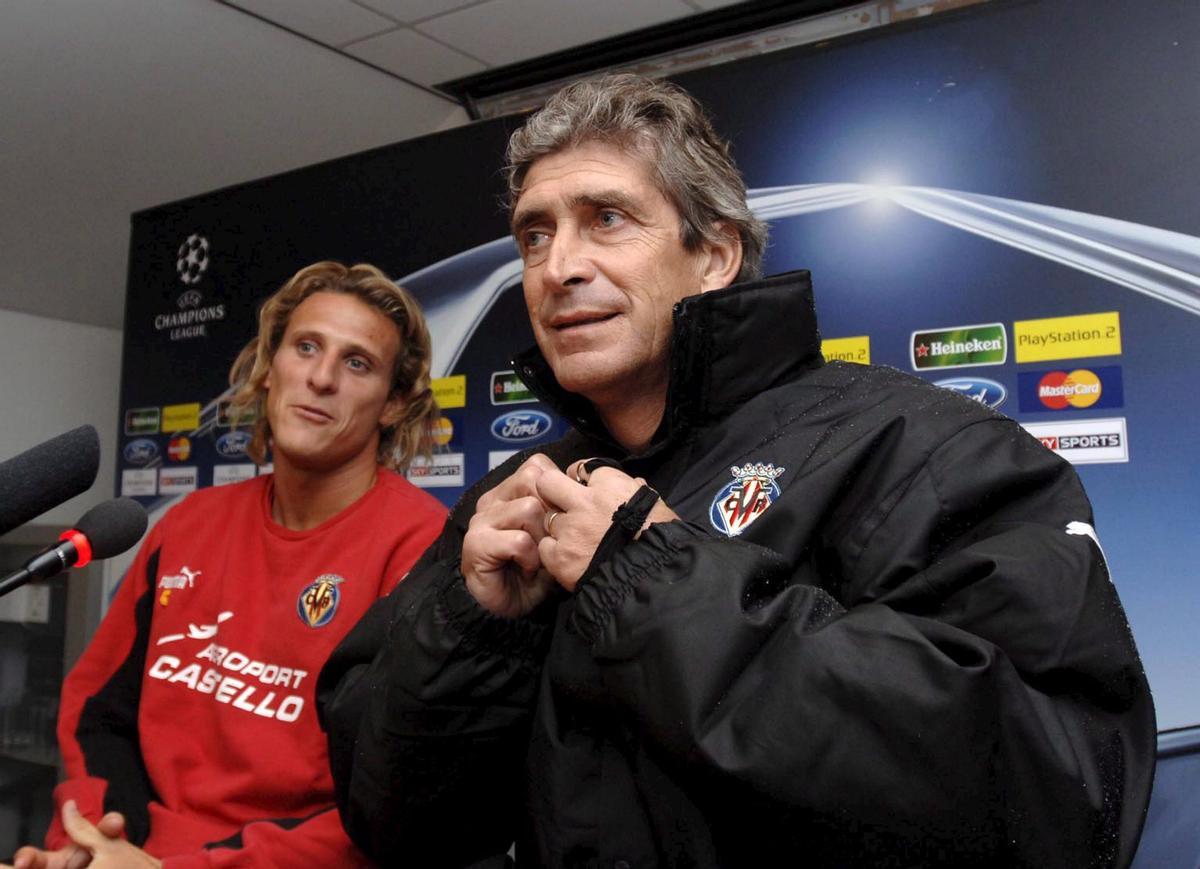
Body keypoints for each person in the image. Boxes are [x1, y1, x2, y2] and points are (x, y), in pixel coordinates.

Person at [317, 75, 1156, 868]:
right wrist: (476, 629)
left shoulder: (924, 447)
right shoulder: (517, 496)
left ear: (715, 255)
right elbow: (394, 821)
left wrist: (653, 582)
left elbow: (1064, 799)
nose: (558, 267)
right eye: (535, 234)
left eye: (606, 218)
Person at [10, 262, 447, 869]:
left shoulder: (423, 548)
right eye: (306, 347)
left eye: (356, 363)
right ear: (270, 370)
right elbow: (98, 710)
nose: (321, 378)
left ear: (395, 403)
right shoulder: (190, 522)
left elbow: (392, 796)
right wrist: (97, 839)